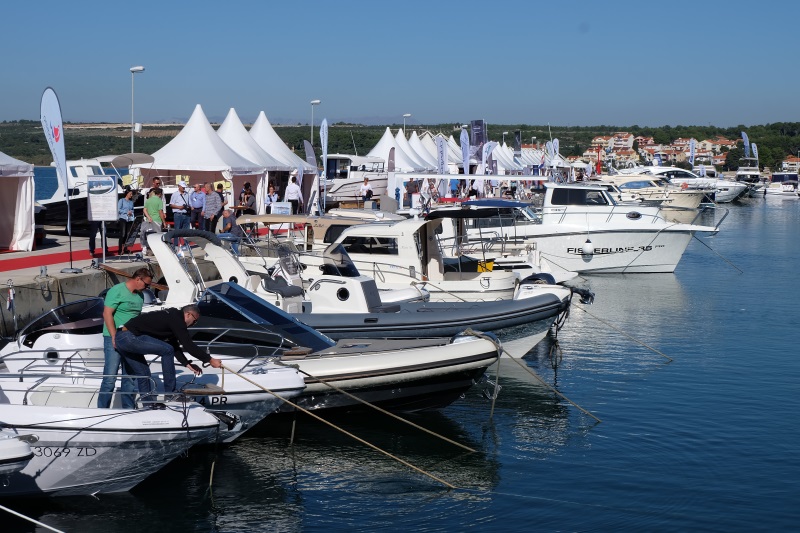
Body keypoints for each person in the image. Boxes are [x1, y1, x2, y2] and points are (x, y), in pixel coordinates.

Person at [115, 304, 223, 406]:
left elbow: (174, 345)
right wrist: (209, 360)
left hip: (121, 338)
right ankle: (171, 394)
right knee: (167, 350)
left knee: (144, 373)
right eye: (195, 321)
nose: (194, 324)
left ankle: (147, 406)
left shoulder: (172, 318)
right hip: (129, 337)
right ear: (188, 314)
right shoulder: (177, 318)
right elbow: (188, 345)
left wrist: (186, 363)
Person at [97, 267, 153, 409]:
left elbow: (136, 320)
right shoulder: (117, 290)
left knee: (130, 378)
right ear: (138, 279)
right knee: (110, 377)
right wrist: (114, 336)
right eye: (146, 284)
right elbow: (107, 314)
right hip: (113, 337)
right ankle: (102, 410)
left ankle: (128, 408)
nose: (147, 287)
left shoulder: (140, 296)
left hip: (131, 340)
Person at [142, 188, 165, 256]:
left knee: (149, 236)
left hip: (149, 220)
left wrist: (149, 217)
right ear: (160, 194)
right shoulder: (159, 201)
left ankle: (149, 251)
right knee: (157, 236)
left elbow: (144, 210)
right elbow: (160, 212)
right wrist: (164, 221)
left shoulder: (148, 200)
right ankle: (157, 251)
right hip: (157, 220)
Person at [169, 181, 190, 246]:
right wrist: (179, 207)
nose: (184, 188)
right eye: (182, 187)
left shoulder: (187, 194)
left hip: (186, 214)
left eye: (184, 187)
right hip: (178, 214)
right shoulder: (175, 194)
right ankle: (176, 244)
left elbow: (188, 203)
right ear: (179, 186)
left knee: (186, 231)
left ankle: (185, 244)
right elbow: (171, 204)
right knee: (177, 230)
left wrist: (187, 207)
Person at [117, 189, 135, 254]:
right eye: (130, 194)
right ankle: (120, 249)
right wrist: (126, 212)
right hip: (123, 218)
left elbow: (132, 209)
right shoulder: (121, 200)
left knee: (127, 234)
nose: (131, 195)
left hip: (129, 219)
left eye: (132, 194)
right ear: (127, 194)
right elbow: (118, 209)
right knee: (123, 234)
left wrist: (131, 212)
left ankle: (125, 248)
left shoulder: (131, 202)